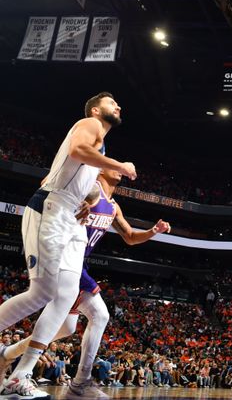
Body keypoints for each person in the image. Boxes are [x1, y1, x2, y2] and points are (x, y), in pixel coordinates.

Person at [0, 92, 136, 399]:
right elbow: (74, 152)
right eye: (111, 102)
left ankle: (20, 375)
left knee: (64, 296)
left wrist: (88, 201)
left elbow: (83, 181)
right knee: (43, 292)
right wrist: (121, 165)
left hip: (72, 217)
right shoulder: (89, 124)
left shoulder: (99, 146)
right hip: (50, 210)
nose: (118, 105)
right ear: (96, 108)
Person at [0, 169, 170, 399]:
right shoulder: (87, 186)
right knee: (100, 315)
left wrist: (153, 231)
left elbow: (129, 236)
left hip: (80, 261)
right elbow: (48, 183)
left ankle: (9, 353)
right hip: (67, 256)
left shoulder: (113, 206)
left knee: (66, 328)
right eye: (114, 166)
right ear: (100, 170)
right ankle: (77, 383)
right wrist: (74, 200)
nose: (119, 170)